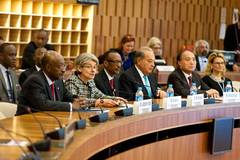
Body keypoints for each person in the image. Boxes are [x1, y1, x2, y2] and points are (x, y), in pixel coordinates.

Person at [16, 51, 83, 115]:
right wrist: (70, 106)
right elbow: (43, 104)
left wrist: (80, 100)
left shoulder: (58, 80)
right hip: (27, 121)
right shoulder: (35, 80)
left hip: (49, 119)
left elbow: (66, 96)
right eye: (59, 66)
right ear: (48, 67)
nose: (63, 70)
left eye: (64, 66)